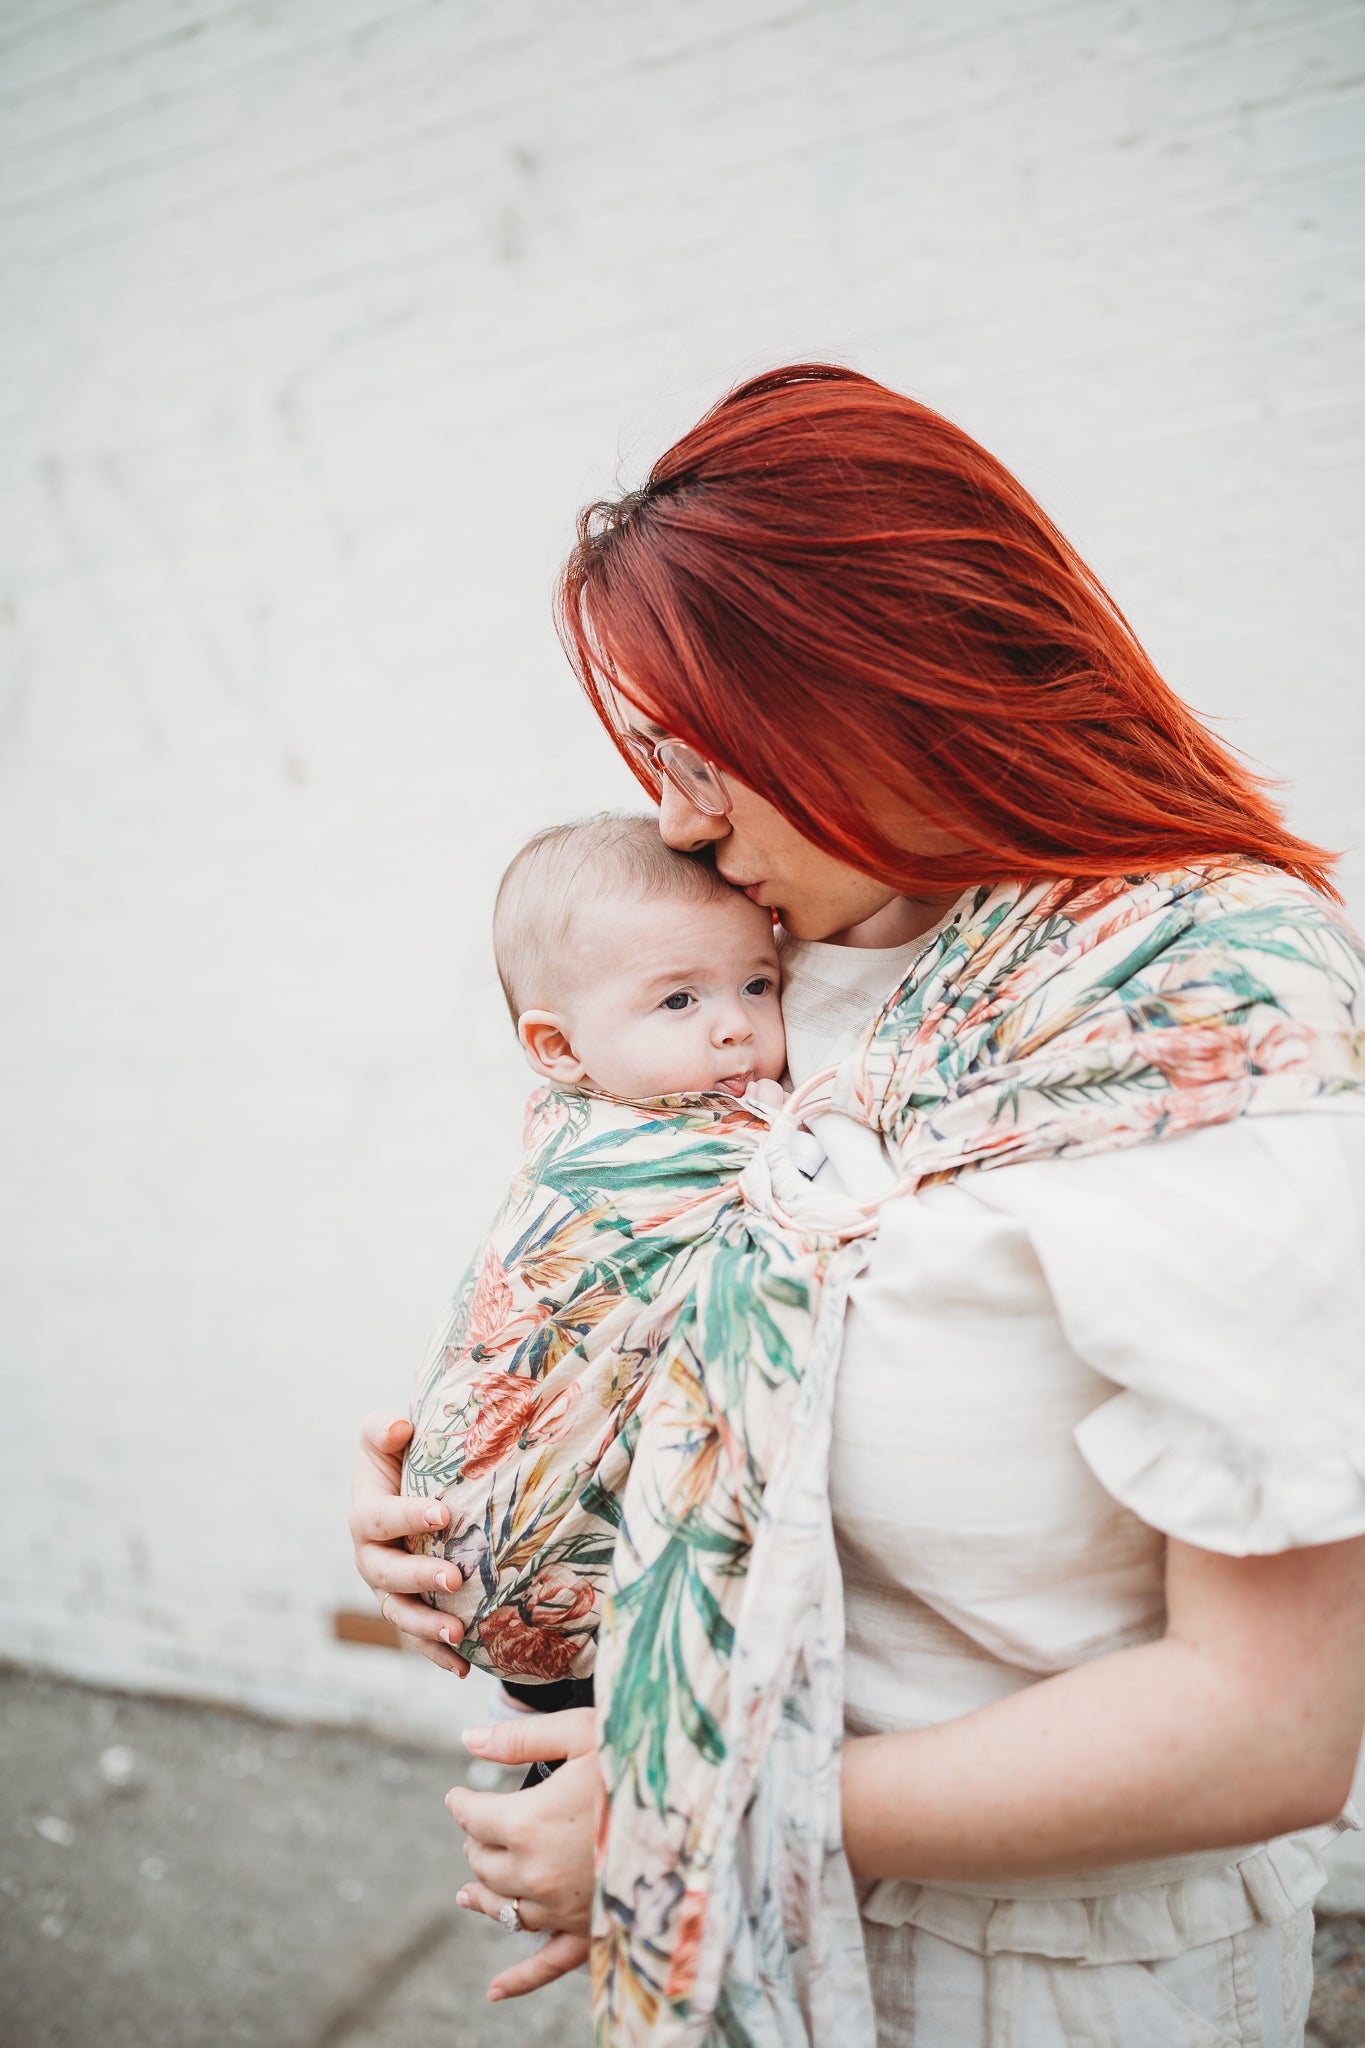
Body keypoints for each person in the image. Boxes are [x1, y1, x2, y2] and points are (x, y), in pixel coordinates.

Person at [350, 363, 1365, 2046]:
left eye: (703, 751)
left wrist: (680, 1810)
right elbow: (651, 1296)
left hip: (1046, 1979)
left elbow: (1270, 1728)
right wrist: (496, 1502)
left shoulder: (1209, 1018)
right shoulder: (786, 970)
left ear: (878, 681)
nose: (673, 816)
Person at [404, 812, 786, 1723]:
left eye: (757, 982)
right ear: (559, 1050)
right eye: (679, 1001)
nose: (735, 1027)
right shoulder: (641, 1151)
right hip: (552, 1592)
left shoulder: (657, 1100)